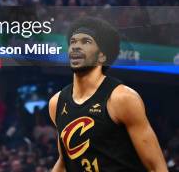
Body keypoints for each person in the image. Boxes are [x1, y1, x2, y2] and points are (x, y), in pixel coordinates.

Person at [49, 16, 167, 171]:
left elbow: (156, 167)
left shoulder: (122, 98)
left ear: (102, 56)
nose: (76, 46)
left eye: (86, 42)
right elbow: (64, 162)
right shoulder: (56, 102)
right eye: (73, 42)